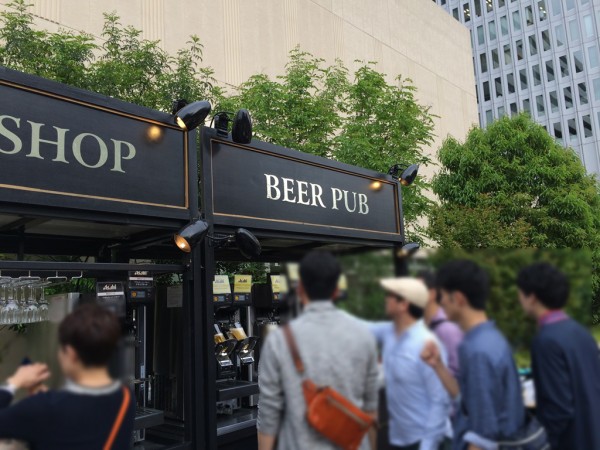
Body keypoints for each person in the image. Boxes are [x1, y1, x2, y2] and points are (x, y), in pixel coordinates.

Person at [257, 250, 379, 450]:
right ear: (336, 290)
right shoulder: (364, 335)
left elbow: (268, 414)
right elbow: (371, 410)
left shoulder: (279, 340)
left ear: (300, 289)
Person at [421, 260, 525, 450]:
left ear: (458, 298)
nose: (440, 302)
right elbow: (466, 400)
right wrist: (438, 365)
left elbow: (484, 434)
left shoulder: (477, 351)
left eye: (443, 296)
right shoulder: (489, 337)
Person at [0, 303, 135, 450]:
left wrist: (14, 381)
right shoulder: (126, 397)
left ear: (71, 354)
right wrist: (49, 399)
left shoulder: (43, 407)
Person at [517, 262, 600, 450]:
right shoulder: (581, 332)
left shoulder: (546, 341)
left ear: (532, 297)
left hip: (570, 441)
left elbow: (557, 408)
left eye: (520, 293)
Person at [363, 277, 450, 450]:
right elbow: (359, 326)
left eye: (390, 295)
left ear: (403, 305)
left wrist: (427, 446)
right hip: (399, 440)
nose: (386, 299)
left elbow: (440, 401)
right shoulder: (389, 332)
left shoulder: (426, 343)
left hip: (425, 441)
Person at [418, 270, 463, 377]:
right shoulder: (419, 325)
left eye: (418, 290)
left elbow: (457, 370)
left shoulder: (447, 328)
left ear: (432, 294)